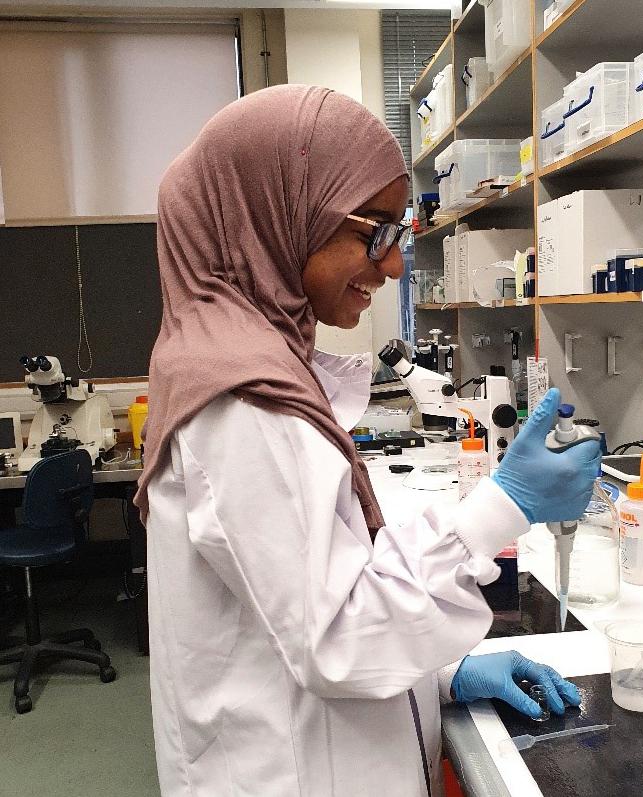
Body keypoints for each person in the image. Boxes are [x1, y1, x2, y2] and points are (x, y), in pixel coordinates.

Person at [136, 85, 601, 797]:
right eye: (372, 231)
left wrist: (443, 673)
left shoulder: (253, 366)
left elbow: (308, 594)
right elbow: (339, 638)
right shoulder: (239, 404)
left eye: (399, 234)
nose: (389, 266)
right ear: (277, 212)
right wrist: (503, 505)